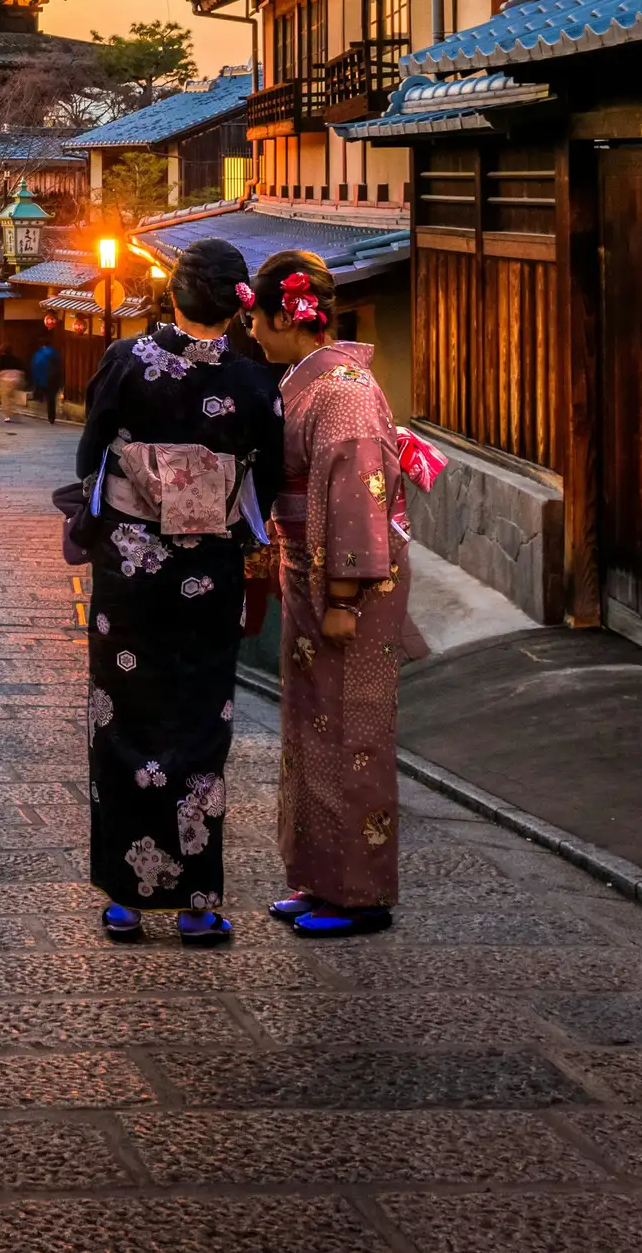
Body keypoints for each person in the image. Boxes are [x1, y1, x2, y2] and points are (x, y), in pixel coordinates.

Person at [70, 238, 283, 946]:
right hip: (207, 575)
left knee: (122, 716)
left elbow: (91, 453)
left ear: (173, 294)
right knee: (198, 722)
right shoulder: (256, 383)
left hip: (131, 571)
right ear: (236, 303)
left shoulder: (126, 361)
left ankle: (126, 901)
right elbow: (267, 479)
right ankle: (197, 903)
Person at [248, 250, 409, 938]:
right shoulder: (310, 382)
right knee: (312, 728)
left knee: (353, 731)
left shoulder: (340, 392)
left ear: (289, 313)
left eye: (257, 318)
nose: (251, 332)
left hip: (349, 589)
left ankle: (360, 893)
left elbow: (356, 498)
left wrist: (344, 598)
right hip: (310, 574)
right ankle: (318, 877)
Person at [29, 333, 65, 425]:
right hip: (54, 380)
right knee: (51, 399)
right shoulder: (55, 353)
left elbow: (35, 368)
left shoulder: (38, 355)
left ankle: (39, 410)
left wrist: (35, 382)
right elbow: (60, 367)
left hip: (42, 380)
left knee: (42, 396)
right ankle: (51, 417)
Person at [0, 347, 27, 423]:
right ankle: (16, 410)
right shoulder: (15, 358)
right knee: (14, 395)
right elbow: (22, 369)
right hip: (16, 379)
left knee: (5, 398)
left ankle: (7, 416)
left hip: (5, 379)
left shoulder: (2, 358)